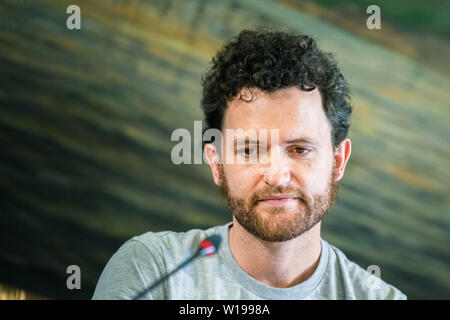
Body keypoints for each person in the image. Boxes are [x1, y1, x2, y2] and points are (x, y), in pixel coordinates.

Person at [92, 29, 406, 300]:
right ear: (216, 165)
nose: (276, 175)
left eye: (299, 149)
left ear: (338, 161)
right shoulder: (152, 271)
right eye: (250, 150)